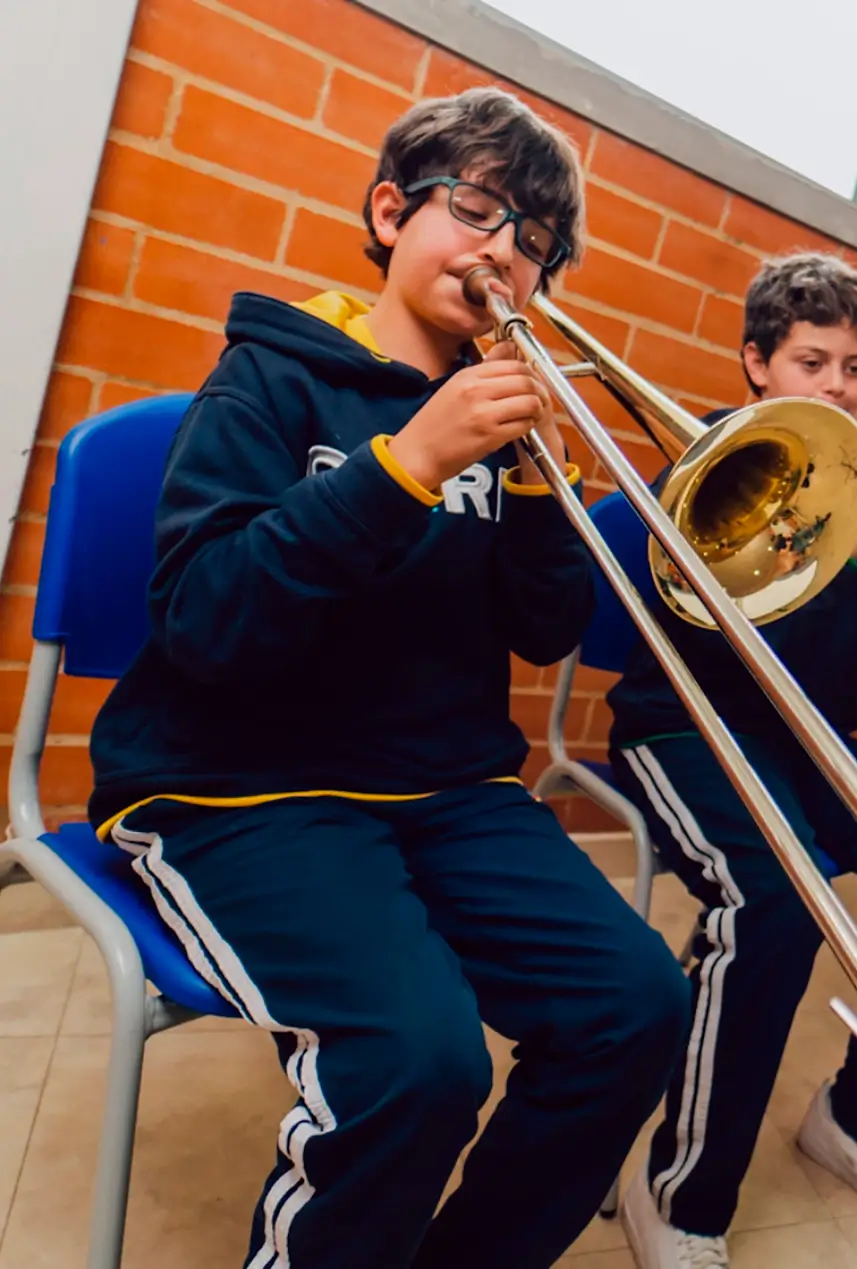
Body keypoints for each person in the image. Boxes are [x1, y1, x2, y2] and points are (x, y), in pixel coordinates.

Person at [84, 88, 690, 1268]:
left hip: (445, 788)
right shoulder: (270, 376)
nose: (505, 253)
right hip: (236, 784)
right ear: (389, 210)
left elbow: (547, 630)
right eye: (478, 208)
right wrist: (406, 461)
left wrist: (530, 493)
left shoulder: (505, 416)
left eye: (537, 245)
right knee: (417, 1061)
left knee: (637, 1007)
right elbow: (209, 623)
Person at [603, 253, 857, 1267]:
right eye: (813, 361)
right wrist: (847, 539)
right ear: (756, 364)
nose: (838, 386)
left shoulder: (852, 479)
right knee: (776, 904)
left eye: (854, 367)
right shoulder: (705, 467)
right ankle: (675, 1194)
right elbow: (718, 641)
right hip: (684, 726)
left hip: (809, 739)